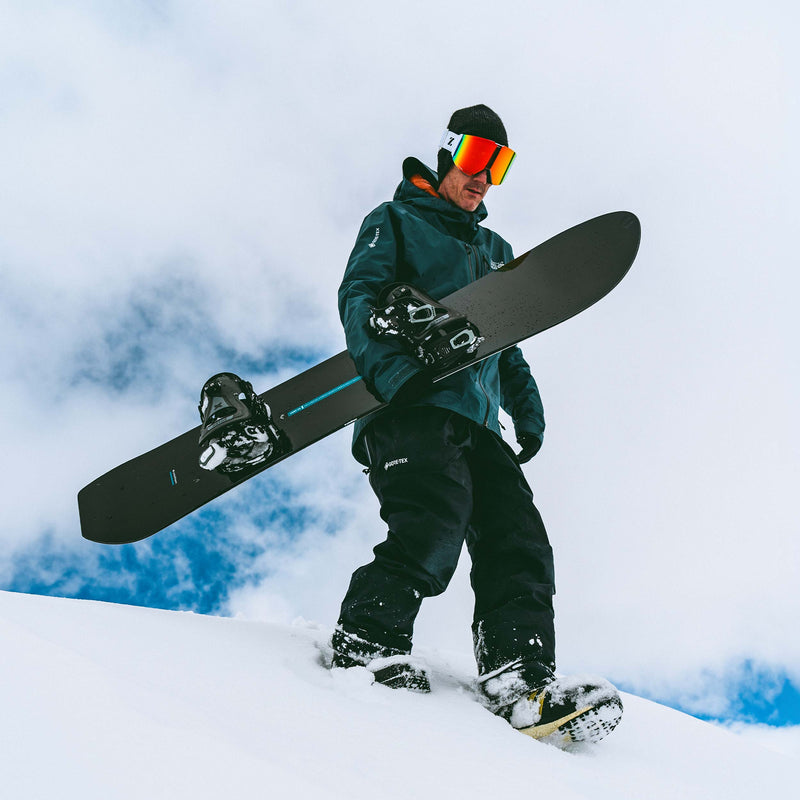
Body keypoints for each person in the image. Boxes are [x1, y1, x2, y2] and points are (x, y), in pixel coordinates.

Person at [331, 104, 622, 744]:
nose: (484, 177)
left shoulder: (495, 252)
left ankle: (517, 677)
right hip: (407, 408)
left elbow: (507, 343)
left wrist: (528, 410)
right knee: (433, 520)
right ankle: (367, 639)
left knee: (518, 539)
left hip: (480, 421)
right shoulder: (395, 221)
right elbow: (359, 298)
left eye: (500, 166)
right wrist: (393, 376)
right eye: (475, 159)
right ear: (446, 155)